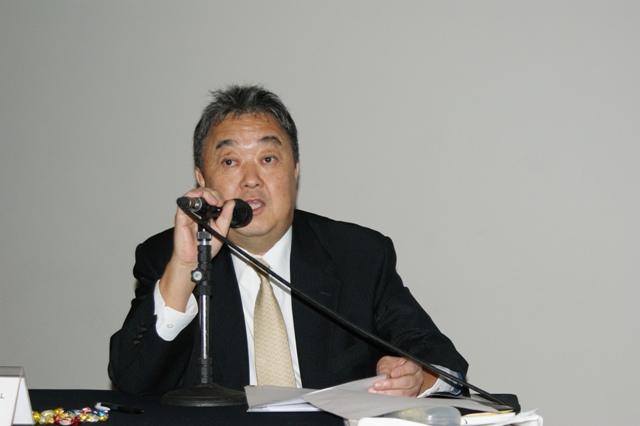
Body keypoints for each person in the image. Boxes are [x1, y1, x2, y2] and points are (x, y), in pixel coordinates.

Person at [108, 85, 468, 397]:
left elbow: (438, 356)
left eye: (268, 159)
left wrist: (418, 378)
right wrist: (185, 268)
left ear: (295, 169)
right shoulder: (167, 257)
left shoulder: (357, 255)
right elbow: (131, 381)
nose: (251, 180)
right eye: (230, 162)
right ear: (202, 179)